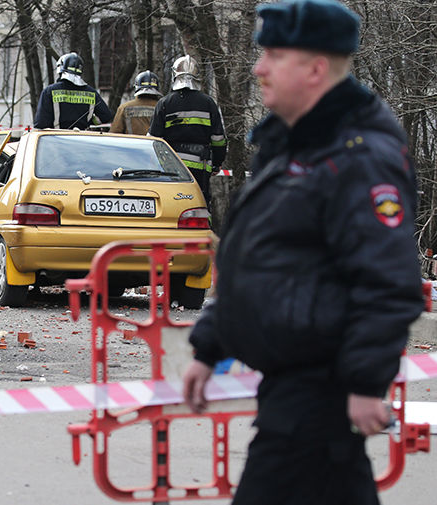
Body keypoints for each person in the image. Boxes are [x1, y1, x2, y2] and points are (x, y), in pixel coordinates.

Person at [181, 1, 424, 504]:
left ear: (315, 69)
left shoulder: (360, 156)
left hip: (321, 389)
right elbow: (260, 261)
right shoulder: (295, 144)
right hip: (292, 387)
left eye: (273, 55)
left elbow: (388, 281)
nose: (258, 68)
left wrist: (363, 382)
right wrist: (210, 347)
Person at [148, 55, 226, 204]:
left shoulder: (164, 103)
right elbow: (218, 138)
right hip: (201, 165)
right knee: (200, 202)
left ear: (174, 75)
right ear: (197, 76)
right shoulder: (208, 103)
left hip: (171, 165)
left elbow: (152, 139)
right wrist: (217, 161)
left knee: (173, 202)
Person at [33, 52, 113, 130]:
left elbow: (40, 123)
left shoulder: (49, 91)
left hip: (56, 140)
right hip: (82, 140)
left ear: (60, 69)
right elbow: (106, 117)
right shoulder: (92, 93)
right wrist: (91, 121)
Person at [109, 70, 162, 135]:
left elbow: (114, 133)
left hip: (131, 145)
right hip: (155, 145)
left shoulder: (124, 108)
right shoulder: (163, 107)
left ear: (136, 87)